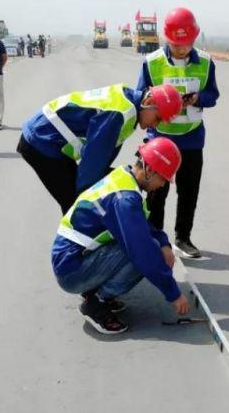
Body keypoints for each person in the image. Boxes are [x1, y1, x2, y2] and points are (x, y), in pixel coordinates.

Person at [53, 137, 189, 334]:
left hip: (72, 259)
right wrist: (173, 293)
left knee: (150, 245)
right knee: (145, 253)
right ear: (150, 171)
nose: (162, 185)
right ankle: (96, 304)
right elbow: (143, 251)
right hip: (72, 272)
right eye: (163, 179)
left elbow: (141, 223)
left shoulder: (124, 179)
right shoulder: (124, 200)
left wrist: (164, 242)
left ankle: (95, 290)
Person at [18, 83, 182, 214]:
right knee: (76, 206)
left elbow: (104, 156)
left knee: (93, 194)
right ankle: (72, 251)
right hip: (42, 140)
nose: (154, 125)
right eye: (157, 118)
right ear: (148, 102)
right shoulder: (121, 113)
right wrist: (90, 198)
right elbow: (92, 164)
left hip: (49, 138)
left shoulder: (129, 105)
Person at [136, 7, 219, 259]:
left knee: (188, 192)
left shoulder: (205, 62)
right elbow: (141, 97)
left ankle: (183, 238)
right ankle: (155, 239)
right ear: (166, 39)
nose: (181, 48)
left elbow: (213, 95)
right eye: (175, 43)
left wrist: (198, 98)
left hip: (192, 140)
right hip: (160, 139)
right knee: (156, 193)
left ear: (194, 38)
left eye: (186, 43)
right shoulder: (152, 63)